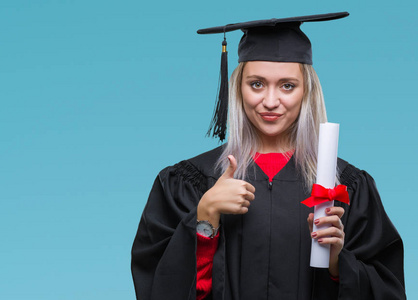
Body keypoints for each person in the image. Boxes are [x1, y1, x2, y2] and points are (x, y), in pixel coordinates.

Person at [131, 12, 406, 300]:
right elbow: (157, 286)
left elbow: (387, 288)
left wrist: (338, 263)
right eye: (257, 84)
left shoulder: (345, 187)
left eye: (287, 85)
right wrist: (205, 216)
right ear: (238, 88)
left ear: (306, 92)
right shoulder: (189, 182)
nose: (271, 101)